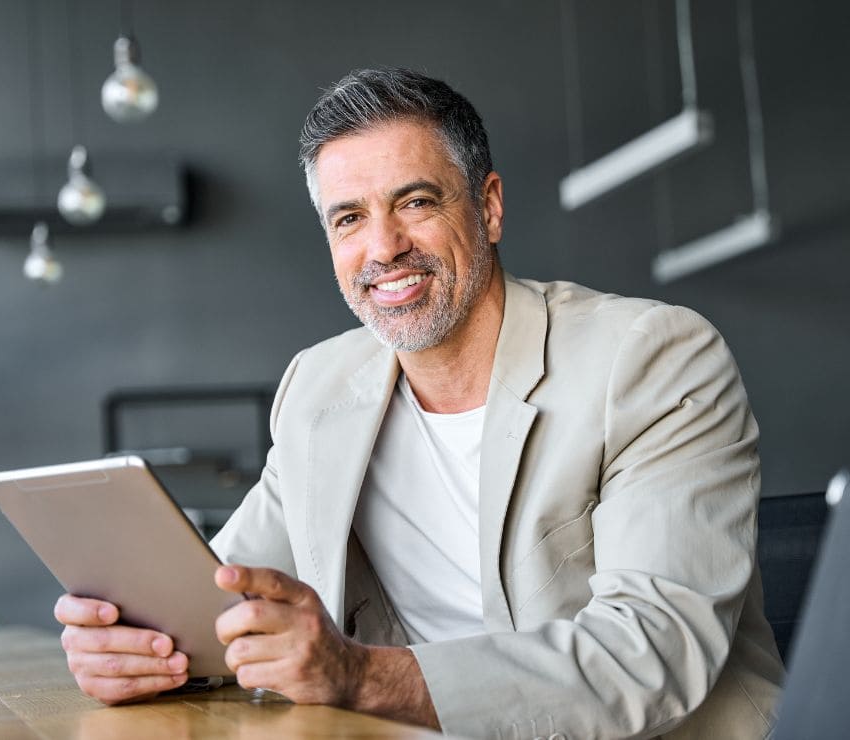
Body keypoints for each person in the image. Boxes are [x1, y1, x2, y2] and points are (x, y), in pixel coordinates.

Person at [55, 67, 785, 738]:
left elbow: (650, 655)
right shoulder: (319, 387)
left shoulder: (651, 358)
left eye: (415, 201)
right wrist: (140, 646)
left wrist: (357, 675)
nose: (384, 248)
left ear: (489, 208)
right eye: (348, 219)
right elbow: (223, 605)